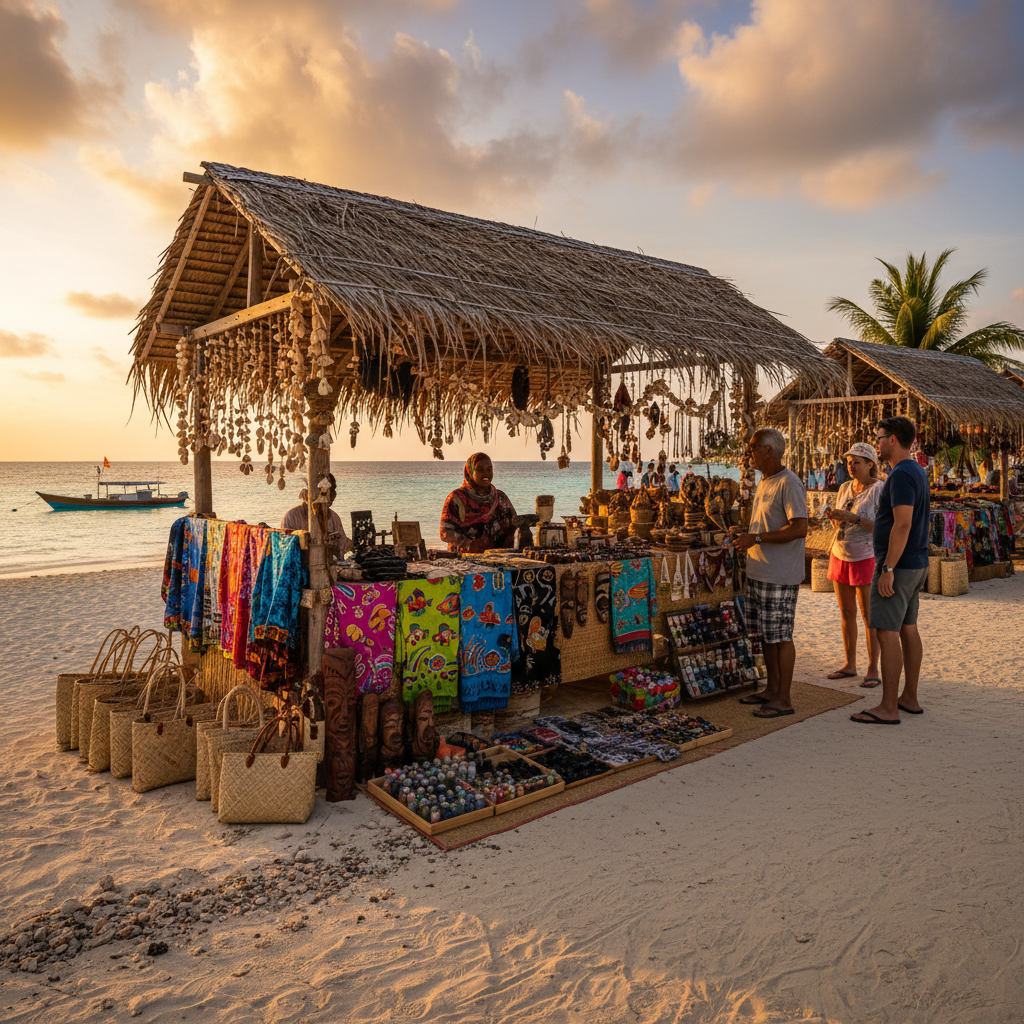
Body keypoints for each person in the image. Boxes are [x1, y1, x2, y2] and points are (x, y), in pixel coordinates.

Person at [851, 416, 930, 724]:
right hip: (915, 562)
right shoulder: (916, 471)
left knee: (886, 631)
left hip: (900, 565)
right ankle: (908, 697)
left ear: (893, 440)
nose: (878, 442)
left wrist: (887, 567)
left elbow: (903, 523)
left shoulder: (900, 475)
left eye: (880, 437)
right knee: (908, 628)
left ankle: (888, 706)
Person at [729, 428, 808, 719]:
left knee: (780, 635)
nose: (748, 452)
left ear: (768, 451)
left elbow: (800, 528)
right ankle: (772, 689)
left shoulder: (790, 483)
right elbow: (766, 524)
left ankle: (784, 698)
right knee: (765, 635)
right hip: (760, 570)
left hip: (780, 573)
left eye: (753, 448)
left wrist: (757, 539)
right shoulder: (765, 481)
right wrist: (746, 535)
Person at [823, 443, 884, 687]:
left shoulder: (879, 489)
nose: (851, 465)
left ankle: (873, 669)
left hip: (865, 556)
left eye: (856, 461)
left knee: (869, 615)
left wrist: (854, 518)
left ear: (870, 464)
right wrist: (835, 517)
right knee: (846, 613)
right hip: (840, 552)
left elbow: (882, 527)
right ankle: (850, 664)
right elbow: (841, 522)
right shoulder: (845, 487)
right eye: (849, 461)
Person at [439, 452, 518, 554]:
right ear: (470, 472)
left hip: (499, 558)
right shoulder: (457, 498)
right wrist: (470, 543)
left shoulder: (500, 497)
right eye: (480, 470)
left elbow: (515, 525)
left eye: (489, 470)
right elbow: (445, 532)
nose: (486, 474)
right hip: (464, 560)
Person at [280, 474, 352, 562]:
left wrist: (359, 545)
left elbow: (343, 543)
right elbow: (285, 550)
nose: (328, 502)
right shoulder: (291, 516)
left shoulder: (333, 517)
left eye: (330, 502)